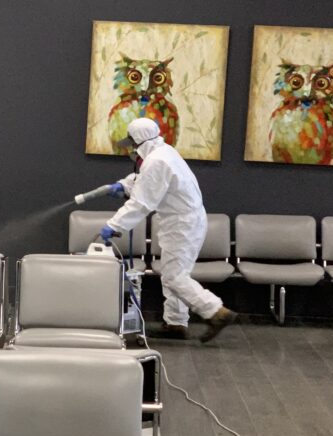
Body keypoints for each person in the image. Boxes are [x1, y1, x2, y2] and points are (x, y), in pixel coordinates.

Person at [99, 117, 236, 343]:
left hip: (182, 224)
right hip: (181, 221)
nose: (131, 149)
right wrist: (124, 185)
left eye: (132, 143)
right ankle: (176, 324)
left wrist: (114, 226)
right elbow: (147, 181)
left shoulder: (157, 161)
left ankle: (216, 312)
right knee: (174, 274)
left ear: (140, 141)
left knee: (174, 277)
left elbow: (142, 202)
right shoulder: (163, 153)